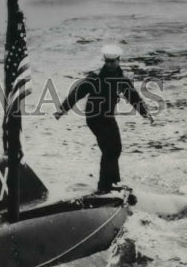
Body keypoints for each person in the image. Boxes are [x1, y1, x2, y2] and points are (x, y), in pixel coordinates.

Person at [53, 44, 153, 193]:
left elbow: (133, 97)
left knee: (115, 148)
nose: (110, 64)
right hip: (94, 118)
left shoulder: (122, 80)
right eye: (107, 61)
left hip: (108, 117)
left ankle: (111, 182)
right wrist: (62, 109)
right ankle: (104, 186)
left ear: (118, 61)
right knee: (109, 149)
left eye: (112, 61)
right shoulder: (95, 78)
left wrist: (145, 113)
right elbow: (77, 93)